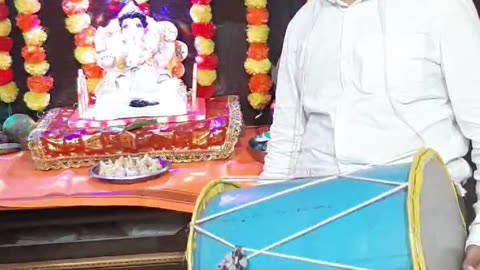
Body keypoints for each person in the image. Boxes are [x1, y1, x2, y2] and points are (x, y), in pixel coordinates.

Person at [261, 0, 480, 269]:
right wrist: (261, 228)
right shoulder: (303, 24)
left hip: (419, 224)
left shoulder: (442, 7)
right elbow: (285, 145)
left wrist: (479, 239)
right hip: (313, 224)